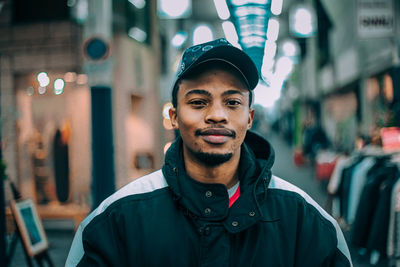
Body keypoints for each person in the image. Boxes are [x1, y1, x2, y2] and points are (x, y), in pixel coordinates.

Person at [66, 38, 352, 266]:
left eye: (232, 103)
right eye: (199, 102)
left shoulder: (305, 219)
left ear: (249, 118)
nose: (217, 115)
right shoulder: (116, 220)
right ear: (174, 116)